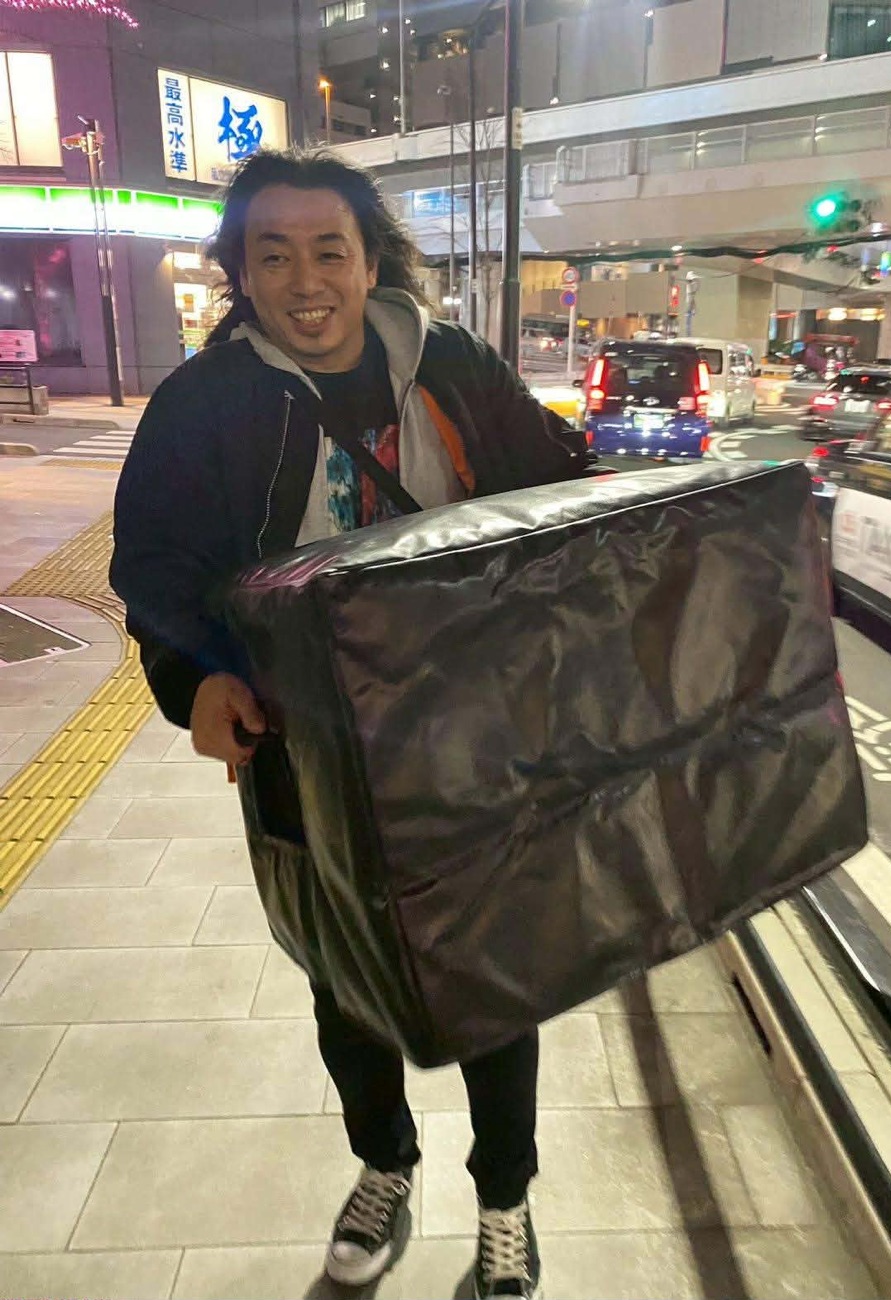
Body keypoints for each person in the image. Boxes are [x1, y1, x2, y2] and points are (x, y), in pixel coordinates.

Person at [110, 145, 589, 1299]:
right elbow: (157, 567)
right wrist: (192, 680)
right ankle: (384, 1163)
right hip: (307, 750)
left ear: (372, 260)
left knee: (490, 979)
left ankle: (505, 1198)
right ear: (239, 272)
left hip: (471, 737)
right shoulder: (203, 405)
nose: (304, 279)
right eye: (271, 255)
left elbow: (557, 498)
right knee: (343, 975)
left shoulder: (457, 369)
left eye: (328, 249)